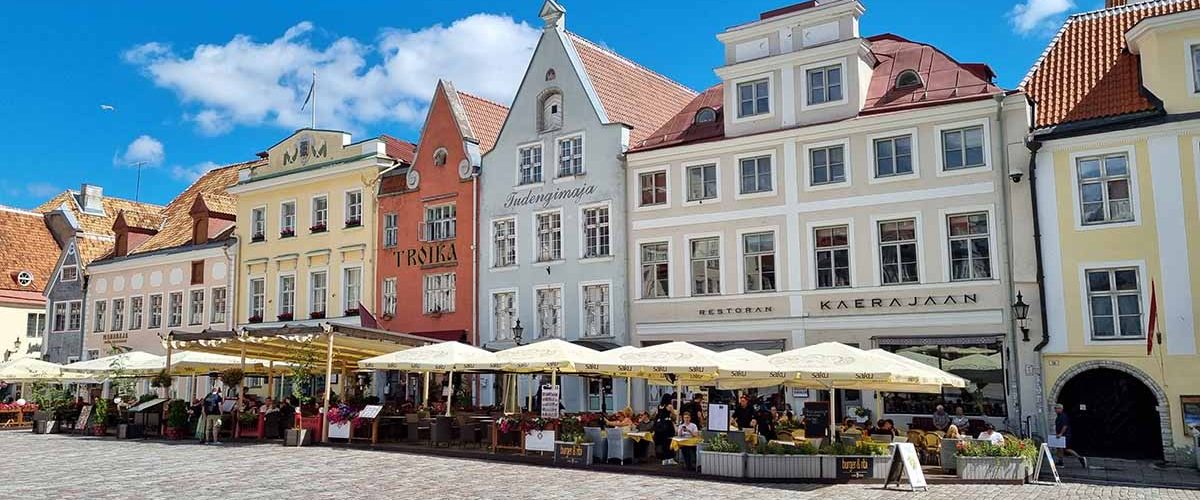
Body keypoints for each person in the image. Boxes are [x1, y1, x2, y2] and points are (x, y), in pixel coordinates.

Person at [1053, 403, 1087, 468]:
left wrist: (1060, 434)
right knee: (1061, 448)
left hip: (1065, 436)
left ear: (1060, 409)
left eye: (1056, 408)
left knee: (1064, 449)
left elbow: (1065, 426)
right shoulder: (1059, 416)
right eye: (1055, 408)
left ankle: (1079, 458)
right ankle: (1061, 462)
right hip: (1062, 436)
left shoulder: (1063, 416)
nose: (1055, 410)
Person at [652, 395, 677, 465]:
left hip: (660, 427)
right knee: (669, 441)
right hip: (668, 425)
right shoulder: (669, 406)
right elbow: (674, 416)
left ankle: (664, 459)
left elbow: (656, 415)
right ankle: (670, 458)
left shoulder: (659, 406)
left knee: (663, 443)